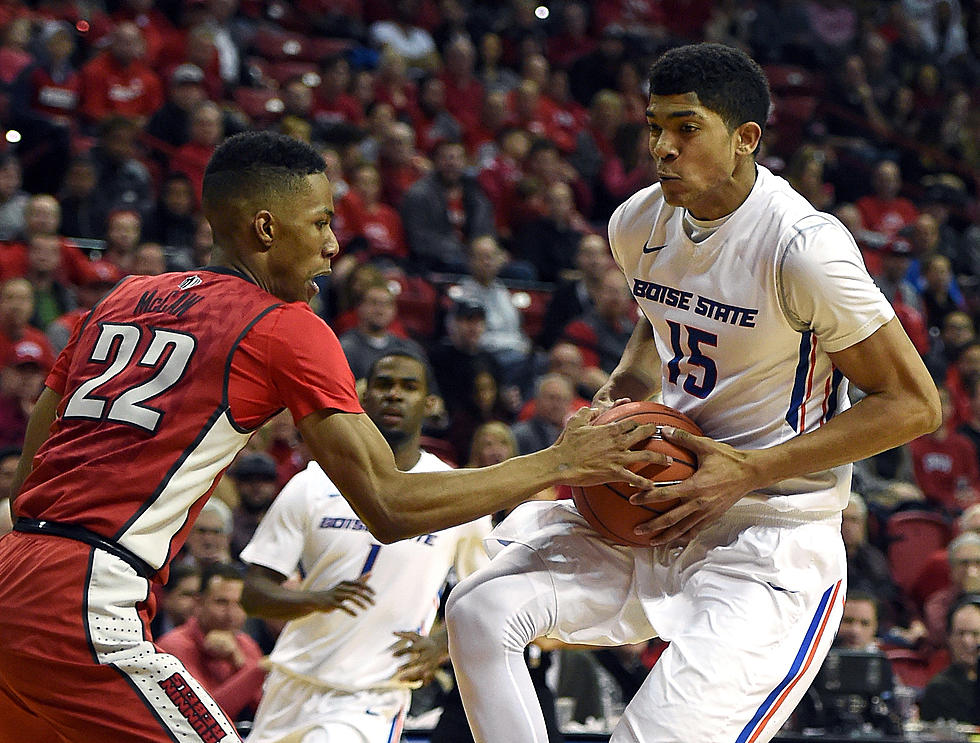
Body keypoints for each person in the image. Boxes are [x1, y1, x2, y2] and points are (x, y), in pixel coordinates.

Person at [0, 130, 661, 742]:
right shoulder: (281, 323)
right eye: (319, 222)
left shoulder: (118, 298)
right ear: (265, 228)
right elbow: (390, 504)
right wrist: (558, 460)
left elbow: (33, 471)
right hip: (87, 601)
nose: (332, 246)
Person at [445, 43, 941, 743]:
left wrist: (747, 470)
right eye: (653, 128)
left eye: (685, 128)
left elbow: (914, 403)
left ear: (744, 140)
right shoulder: (637, 224)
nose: (662, 149)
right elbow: (659, 332)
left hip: (770, 533)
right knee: (478, 608)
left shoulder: (802, 247)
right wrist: (617, 394)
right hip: (659, 503)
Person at [241, 351, 492, 742]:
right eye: (384, 385)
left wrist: (441, 645)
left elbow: (485, 597)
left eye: (408, 387)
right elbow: (254, 596)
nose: (394, 395)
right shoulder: (312, 483)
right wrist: (318, 599)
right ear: (364, 397)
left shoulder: (455, 494)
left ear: (430, 404)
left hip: (372, 695)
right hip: (290, 683)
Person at [156, 561, 266, 725]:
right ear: (199, 602)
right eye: (221, 602)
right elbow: (204, 717)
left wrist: (239, 662)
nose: (231, 613)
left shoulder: (246, 645)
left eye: (239, 604)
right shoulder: (174, 646)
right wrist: (257, 670)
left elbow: (266, 711)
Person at [919, 600, 980, 724]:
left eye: (975, 634)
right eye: (960, 633)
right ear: (949, 638)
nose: (967, 641)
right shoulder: (939, 689)